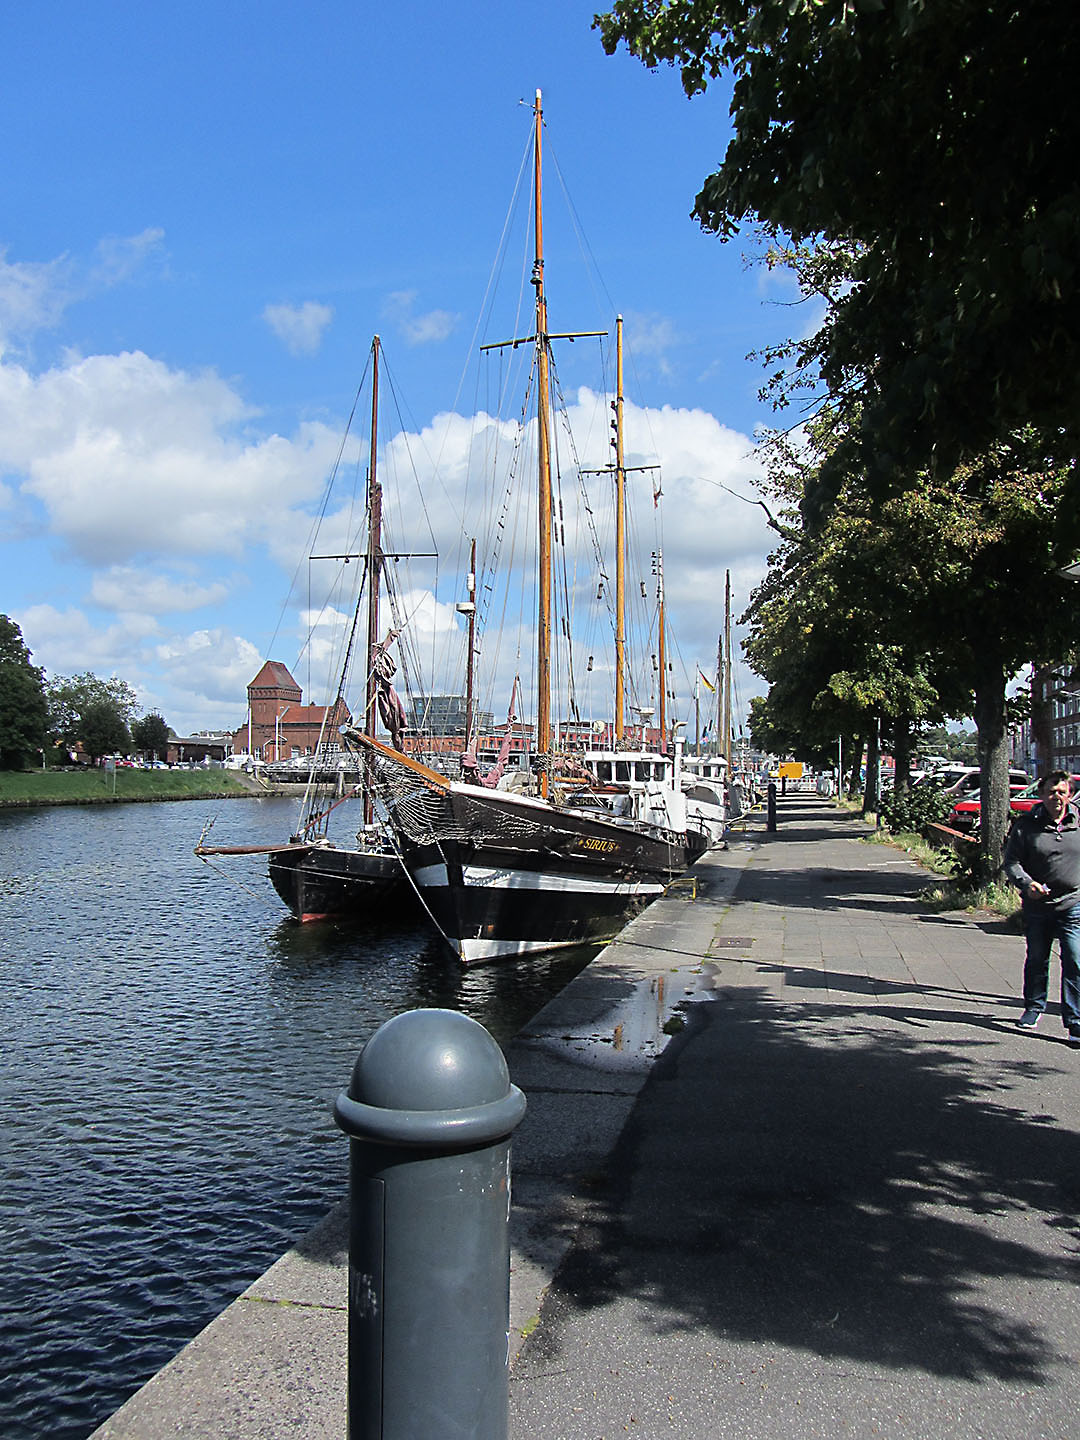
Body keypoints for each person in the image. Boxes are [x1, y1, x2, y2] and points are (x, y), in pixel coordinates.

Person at [1003, 770, 1080, 1046]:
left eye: (1062, 792)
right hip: (1038, 905)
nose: (1056, 797)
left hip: (1073, 903)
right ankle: (1034, 1007)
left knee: (1075, 960)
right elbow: (1012, 862)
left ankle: (1075, 1020)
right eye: (1051, 792)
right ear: (1041, 794)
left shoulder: (1078, 822)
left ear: (1070, 795)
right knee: (1037, 958)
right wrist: (1027, 884)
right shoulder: (1026, 825)